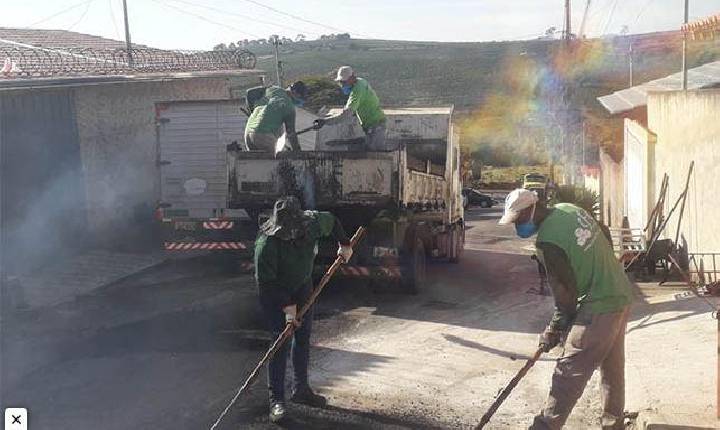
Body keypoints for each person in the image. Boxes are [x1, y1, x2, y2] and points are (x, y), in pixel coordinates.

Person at [498, 189, 634, 430]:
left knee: (567, 374)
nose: (517, 226)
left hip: (598, 307)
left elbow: (565, 297)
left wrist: (554, 329)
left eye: (518, 220)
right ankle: (614, 424)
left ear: (532, 209)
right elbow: (603, 233)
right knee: (612, 369)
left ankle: (544, 427)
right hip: (620, 294)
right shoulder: (570, 209)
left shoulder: (547, 243)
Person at [254, 196, 354, 423]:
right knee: (280, 340)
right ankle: (276, 401)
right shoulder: (266, 244)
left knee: (303, 336)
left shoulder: (313, 223)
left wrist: (344, 244)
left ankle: (301, 389)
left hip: (302, 283)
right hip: (275, 291)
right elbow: (266, 283)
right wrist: (287, 309)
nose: (291, 236)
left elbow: (334, 222)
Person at [317, 66, 388, 150]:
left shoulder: (357, 91)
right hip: (374, 126)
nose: (342, 85)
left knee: (376, 156)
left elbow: (346, 114)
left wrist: (325, 121)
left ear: (352, 78)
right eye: (341, 82)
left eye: (344, 82)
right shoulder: (361, 81)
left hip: (376, 127)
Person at [244, 81, 308, 152]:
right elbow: (291, 133)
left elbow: (249, 92)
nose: (301, 101)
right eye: (300, 97)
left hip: (248, 134)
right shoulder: (289, 107)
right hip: (263, 136)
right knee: (280, 161)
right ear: (295, 92)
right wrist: (298, 152)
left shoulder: (273, 89)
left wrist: (252, 112)